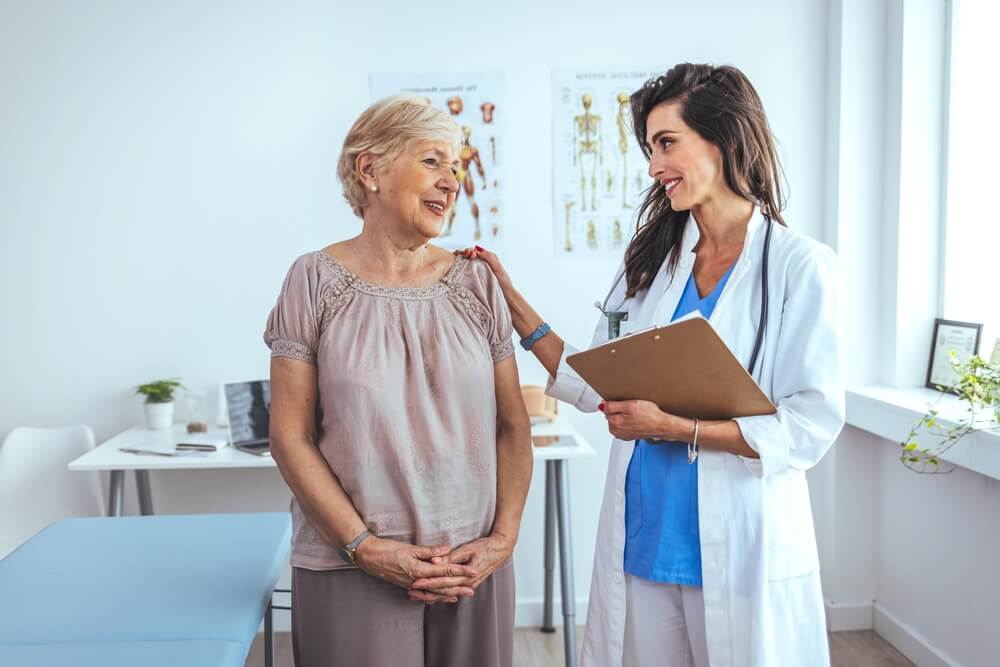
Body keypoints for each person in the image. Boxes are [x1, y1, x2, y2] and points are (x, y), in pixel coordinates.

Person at [462, 63, 845, 666]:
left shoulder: (800, 266)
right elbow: (592, 380)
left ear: (724, 139)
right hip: (644, 540)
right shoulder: (654, 261)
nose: (651, 167)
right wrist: (511, 301)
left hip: (743, 543)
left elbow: (811, 423)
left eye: (666, 143)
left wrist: (679, 429)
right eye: (648, 148)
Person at [264, 94, 532, 667]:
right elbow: (289, 436)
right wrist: (364, 548)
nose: (452, 180)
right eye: (433, 161)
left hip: (473, 568)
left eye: (456, 166)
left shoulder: (477, 283)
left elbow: (513, 426)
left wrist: (501, 542)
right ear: (371, 170)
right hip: (351, 565)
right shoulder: (312, 281)